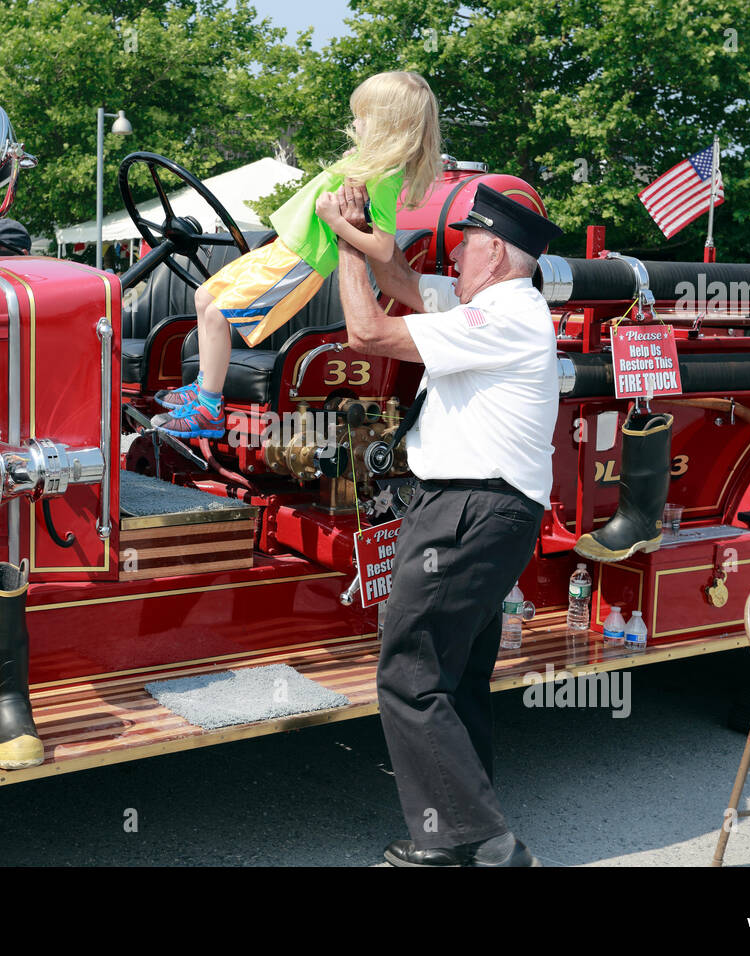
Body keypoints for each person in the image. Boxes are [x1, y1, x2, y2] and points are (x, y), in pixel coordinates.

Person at [333, 180, 563, 866]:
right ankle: (460, 831)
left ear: (493, 253)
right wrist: (365, 227)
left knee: (410, 670)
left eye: (463, 248)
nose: (453, 259)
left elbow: (365, 332)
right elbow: (403, 279)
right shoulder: (495, 303)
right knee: (454, 674)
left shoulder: (503, 317)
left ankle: (480, 842)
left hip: (469, 508)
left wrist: (342, 242)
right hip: (481, 510)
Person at [150, 70, 442, 438]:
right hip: (283, 246)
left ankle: (209, 408)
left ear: (387, 123)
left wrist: (335, 221)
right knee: (204, 295)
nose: (355, 122)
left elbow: (383, 246)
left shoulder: (384, 177)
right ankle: (202, 387)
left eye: (363, 116)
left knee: (220, 313)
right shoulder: (366, 164)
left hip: (301, 260)